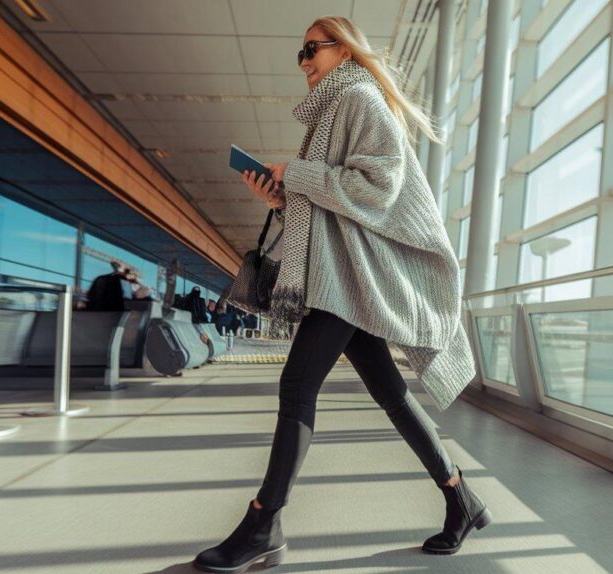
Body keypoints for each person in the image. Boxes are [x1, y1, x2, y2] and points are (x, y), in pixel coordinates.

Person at [192, 16, 486, 574]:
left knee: (297, 385)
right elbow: (336, 202)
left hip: (349, 278)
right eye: (298, 52)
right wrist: (281, 196)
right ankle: (460, 499)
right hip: (347, 274)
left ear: (344, 50)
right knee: (391, 395)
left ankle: (264, 523)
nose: (303, 61)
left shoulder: (360, 99)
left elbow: (377, 188)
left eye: (311, 49)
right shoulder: (335, 108)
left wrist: (296, 176)